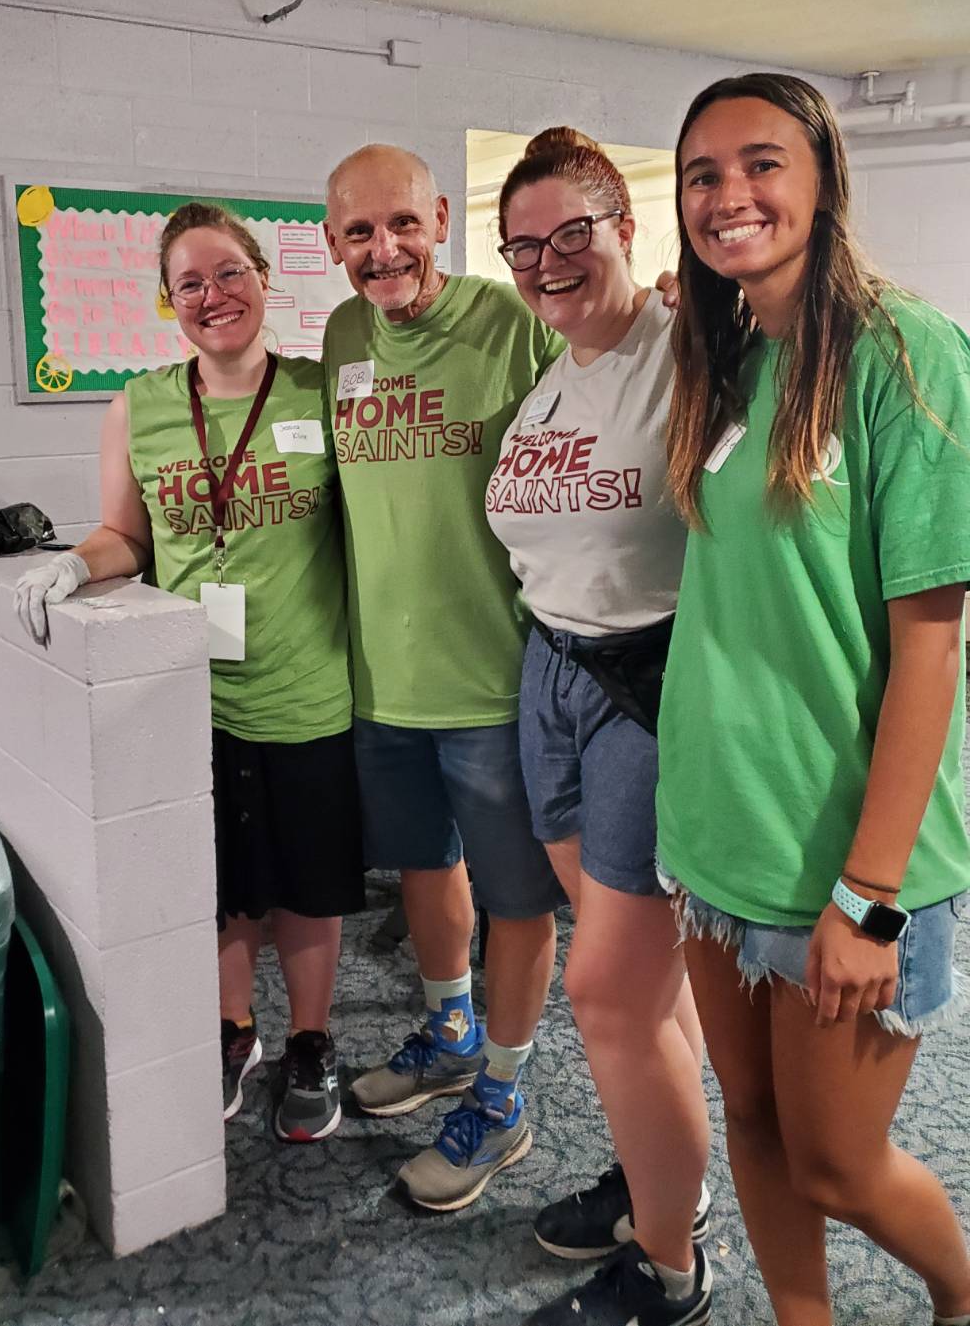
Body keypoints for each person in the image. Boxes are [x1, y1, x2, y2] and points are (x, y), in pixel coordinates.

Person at [659, 72, 970, 1326]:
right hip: (718, 831)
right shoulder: (726, 357)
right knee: (752, 1117)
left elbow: (935, 647)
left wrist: (870, 897)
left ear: (826, 174)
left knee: (838, 1160)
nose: (731, 194)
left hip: (852, 859)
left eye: (761, 162)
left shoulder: (907, 351)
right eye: (702, 174)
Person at [14, 203, 364, 1144]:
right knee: (216, 884)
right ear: (169, 304)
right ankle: (232, 1029)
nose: (215, 297)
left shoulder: (317, 391)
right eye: (191, 284)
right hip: (187, 698)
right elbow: (126, 535)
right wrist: (71, 564)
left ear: (263, 278)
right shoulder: (141, 404)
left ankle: (313, 1042)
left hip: (306, 691)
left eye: (230, 274)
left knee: (306, 885)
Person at [486, 127, 712, 1326]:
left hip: (652, 685)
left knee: (609, 994)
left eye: (572, 232)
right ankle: (663, 1174)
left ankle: (671, 1270)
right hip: (552, 676)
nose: (547, 261)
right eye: (523, 245)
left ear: (625, 224)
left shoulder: (695, 353)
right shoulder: (554, 370)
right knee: (640, 986)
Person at [320, 143, 568, 1210]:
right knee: (425, 870)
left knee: (518, 900)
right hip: (382, 682)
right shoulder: (338, 337)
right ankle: (452, 1032)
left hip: (495, 680)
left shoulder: (511, 323)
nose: (386, 252)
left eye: (404, 225)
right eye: (360, 234)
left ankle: (504, 1101)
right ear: (331, 245)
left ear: (442, 221)